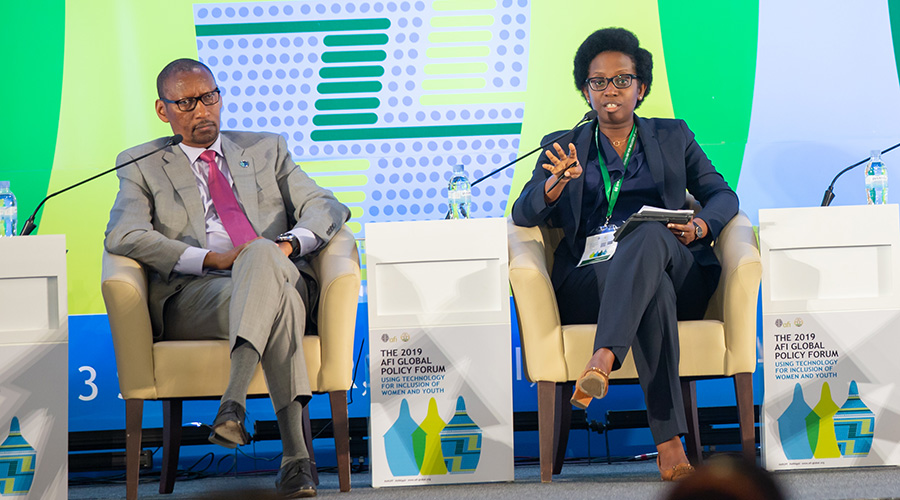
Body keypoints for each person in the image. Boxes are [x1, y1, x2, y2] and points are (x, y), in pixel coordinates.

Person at [105, 58, 349, 498]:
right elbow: (124, 234)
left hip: (276, 268)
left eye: (209, 97)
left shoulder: (267, 148)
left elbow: (326, 206)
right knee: (282, 304)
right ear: (163, 110)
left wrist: (286, 246)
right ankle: (296, 459)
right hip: (198, 293)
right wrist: (211, 259)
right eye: (186, 103)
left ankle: (232, 403)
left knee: (262, 254)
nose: (202, 110)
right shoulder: (141, 163)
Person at [511, 28, 738, 481]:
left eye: (621, 80)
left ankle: (602, 358)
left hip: (676, 263)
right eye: (598, 82)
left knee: (649, 235)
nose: (610, 90)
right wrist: (555, 184)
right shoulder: (563, 145)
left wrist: (700, 226)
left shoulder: (673, 136)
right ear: (586, 91)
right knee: (652, 293)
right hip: (593, 280)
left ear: (641, 88)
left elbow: (722, 195)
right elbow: (523, 212)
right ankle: (669, 445)